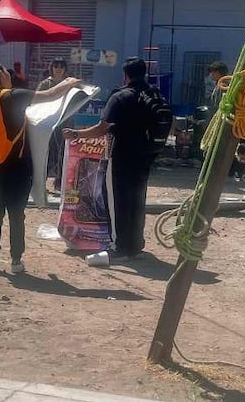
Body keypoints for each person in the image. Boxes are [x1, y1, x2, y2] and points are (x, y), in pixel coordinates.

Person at [64, 58, 172, 264]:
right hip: (146, 156)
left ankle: (120, 247)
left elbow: (102, 127)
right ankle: (135, 246)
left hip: (122, 156)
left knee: (118, 201)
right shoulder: (154, 95)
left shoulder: (120, 96)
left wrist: (76, 133)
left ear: (125, 75)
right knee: (137, 199)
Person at [0, 62, 80, 274]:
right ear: (0, 74)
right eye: (6, 71)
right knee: (16, 214)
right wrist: (69, 83)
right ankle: (16, 262)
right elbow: (49, 95)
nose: (9, 74)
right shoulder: (13, 96)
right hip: (18, 166)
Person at [37, 59, 71, 189]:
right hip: (48, 124)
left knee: (63, 153)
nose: (58, 69)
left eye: (61, 66)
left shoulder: (69, 83)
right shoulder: (46, 84)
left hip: (65, 122)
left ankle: (59, 182)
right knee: (46, 153)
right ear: (51, 68)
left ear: (65, 69)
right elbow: (38, 100)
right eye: (56, 66)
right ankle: (41, 183)